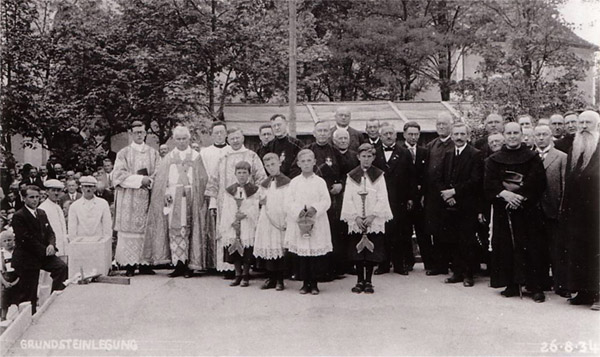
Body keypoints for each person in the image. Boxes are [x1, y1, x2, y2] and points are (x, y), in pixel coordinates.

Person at [484, 122, 547, 302]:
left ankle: (535, 286)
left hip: (527, 210)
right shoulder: (494, 159)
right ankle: (511, 283)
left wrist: (519, 197)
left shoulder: (532, 157)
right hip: (504, 209)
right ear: (504, 135)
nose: (512, 136)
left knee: (532, 247)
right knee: (506, 247)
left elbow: (538, 182)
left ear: (521, 134)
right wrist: (505, 195)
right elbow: (489, 183)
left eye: (515, 133)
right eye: (509, 133)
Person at [144, 126, 209, 277]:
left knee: (190, 229)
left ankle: (189, 265)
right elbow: (162, 179)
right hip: (173, 197)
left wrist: (198, 196)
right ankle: (178, 264)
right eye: (178, 139)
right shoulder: (169, 157)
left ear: (189, 138)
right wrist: (166, 193)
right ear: (174, 140)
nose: (181, 142)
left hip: (190, 196)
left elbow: (202, 178)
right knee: (175, 231)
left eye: (184, 138)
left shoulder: (195, 156)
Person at [205, 127, 266, 274]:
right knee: (229, 233)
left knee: (246, 234)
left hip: (247, 203)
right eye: (232, 138)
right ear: (228, 139)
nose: (235, 141)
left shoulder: (251, 156)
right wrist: (213, 203)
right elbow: (214, 180)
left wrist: (256, 199)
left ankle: (245, 269)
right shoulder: (223, 158)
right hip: (226, 203)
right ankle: (230, 268)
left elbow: (261, 178)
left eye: (237, 137)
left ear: (242, 138)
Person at [433, 123, 484, 287]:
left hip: (467, 205)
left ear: (468, 136)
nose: (459, 137)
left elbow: (475, 180)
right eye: (456, 134)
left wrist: (454, 192)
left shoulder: (475, 154)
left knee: (467, 240)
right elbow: (439, 178)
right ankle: (456, 272)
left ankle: (469, 274)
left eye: (462, 134)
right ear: (452, 136)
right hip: (450, 205)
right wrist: (447, 195)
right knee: (452, 239)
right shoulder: (448, 154)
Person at [561, 110, 600, 309]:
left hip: (597, 211)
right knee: (580, 251)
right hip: (578, 211)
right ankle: (584, 291)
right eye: (581, 122)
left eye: (588, 122)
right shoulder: (574, 148)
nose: (583, 126)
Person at [341, 143, 392, 294]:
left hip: (372, 219)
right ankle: (359, 281)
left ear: (374, 157)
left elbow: (382, 197)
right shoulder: (352, 176)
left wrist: (372, 215)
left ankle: (368, 281)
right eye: (363, 156)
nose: (366, 160)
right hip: (357, 219)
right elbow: (348, 198)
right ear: (358, 157)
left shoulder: (379, 175)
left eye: (369, 156)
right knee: (357, 251)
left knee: (371, 251)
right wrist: (355, 216)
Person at [296, 121, 343, 278]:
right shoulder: (306, 151)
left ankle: (329, 271)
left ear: (329, 134)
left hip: (330, 198)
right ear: (314, 133)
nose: (322, 134)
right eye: (319, 131)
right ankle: (307, 273)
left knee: (328, 234)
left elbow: (345, 171)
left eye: (325, 131)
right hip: (307, 198)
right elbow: (294, 171)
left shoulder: (335, 152)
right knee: (308, 235)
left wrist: (340, 184)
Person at [113, 121, 160, 277]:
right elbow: (118, 176)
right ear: (131, 134)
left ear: (146, 133)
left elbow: (159, 173)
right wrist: (140, 180)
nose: (139, 135)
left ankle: (145, 264)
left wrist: (150, 180)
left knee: (147, 231)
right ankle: (129, 265)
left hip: (148, 197)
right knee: (129, 232)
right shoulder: (124, 153)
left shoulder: (153, 153)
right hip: (130, 199)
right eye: (136, 132)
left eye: (142, 132)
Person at [12, 185, 67, 314]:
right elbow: (27, 240)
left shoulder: (41, 213)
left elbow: (50, 233)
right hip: (27, 258)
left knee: (61, 267)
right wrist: (45, 250)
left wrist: (51, 245)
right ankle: (29, 318)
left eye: (37, 197)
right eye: (31, 197)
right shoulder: (19, 216)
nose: (35, 200)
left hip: (43, 254)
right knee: (29, 293)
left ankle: (55, 300)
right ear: (23, 198)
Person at [285, 149, 332, 295]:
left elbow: (326, 200)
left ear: (314, 162)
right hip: (300, 222)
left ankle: (315, 283)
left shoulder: (320, 182)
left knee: (315, 253)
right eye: (303, 161)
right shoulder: (294, 182)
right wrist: (298, 210)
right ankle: (305, 283)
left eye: (309, 161)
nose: (306, 164)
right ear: (298, 164)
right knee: (303, 253)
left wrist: (315, 209)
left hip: (316, 221)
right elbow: (288, 201)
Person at [373, 122, 416, 275]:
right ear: (380, 136)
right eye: (385, 134)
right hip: (381, 199)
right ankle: (383, 264)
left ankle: (399, 265)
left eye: (391, 133)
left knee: (400, 232)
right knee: (382, 232)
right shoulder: (375, 153)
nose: (389, 136)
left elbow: (412, 176)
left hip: (400, 198)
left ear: (396, 135)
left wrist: (411, 197)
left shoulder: (404, 153)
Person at [533, 125, 567, 296]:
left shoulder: (561, 157)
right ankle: (541, 282)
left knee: (556, 249)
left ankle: (560, 284)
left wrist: (562, 209)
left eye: (544, 134)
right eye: (537, 135)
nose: (541, 138)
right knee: (537, 248)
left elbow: (564, 185)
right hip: (533, 211)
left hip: (553, 209)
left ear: (551, 136)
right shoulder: (530, 157)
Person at [424, 112, 455, 276]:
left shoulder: (455, 144)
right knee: (435, 230)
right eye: (439, 124)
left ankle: (452, 263)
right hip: (433, 196)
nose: (441, 127)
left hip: (449, 195)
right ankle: (439, 265)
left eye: (444, 124)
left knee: (449, 231)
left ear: (451, 125)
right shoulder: (431, 145)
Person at [219, 161, 259, 287]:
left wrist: (246, 214)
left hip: (247, 223)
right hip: (234, 224)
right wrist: (233, 221)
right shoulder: (230, 190)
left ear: (249, 174)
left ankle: (246, 275)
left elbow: (255, 206)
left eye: (244, 173)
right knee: (236, 250)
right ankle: (237, 274)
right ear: (235, 174)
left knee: (246, 250)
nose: (242, 175)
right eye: (239, 173)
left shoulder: (254, 190)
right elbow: (227, 207)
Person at [254, 153, 290, 291]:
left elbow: (288, 201)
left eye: (273, 164)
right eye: (267, 166)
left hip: (280, 219)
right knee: (268, 246)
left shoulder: (287, 182)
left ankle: (280, 279)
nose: (271, 168)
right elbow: (260, 198)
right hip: (267, 219)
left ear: (279, 163)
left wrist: (287, 219)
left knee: (279, 247)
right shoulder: (264, 183)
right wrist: (260, 200)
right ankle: (270, 278)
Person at [199, 121, 231, 271]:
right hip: (210, 194)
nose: (219, 135)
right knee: (210, 229)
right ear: (211, 135)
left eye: (222, 132)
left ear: (226, 134)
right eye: (216, 133)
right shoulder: (205, 153)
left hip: (229, 196)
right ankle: (211, 263)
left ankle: (227, 265)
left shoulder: (232, 150)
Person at [401, 121, 431, 272]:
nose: (413, 137)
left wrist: (423, 191)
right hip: (405, 197)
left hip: (421, 197)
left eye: (416, 134)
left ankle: (428, 262)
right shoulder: (399, 151)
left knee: (423, 230)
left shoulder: (425, 152)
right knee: (405, 230)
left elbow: (428, 174)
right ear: (404, 134)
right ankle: (408, 261)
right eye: (410, 134)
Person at [68, 176, 112, 242]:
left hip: (99, 241)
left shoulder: (103, 203)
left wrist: (105, 240)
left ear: (95, 188)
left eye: (90, 187)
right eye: (85, 186)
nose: (88, 189)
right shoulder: (75, 206)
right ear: (81, 188)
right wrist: (75, 242)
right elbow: (72, 227)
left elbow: (107, 225)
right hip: (81, 242)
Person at [38, 179, 68, 262]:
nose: (56, 193)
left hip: (63, 247)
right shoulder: (43, 208)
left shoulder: (57, 206)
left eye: (58, 190)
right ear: (47, 192)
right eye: (53, 190)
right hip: (51, 248)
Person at [1, 229, 19, 320]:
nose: (7, 243)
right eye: (4, 241)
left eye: (9, 240)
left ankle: (22, 315)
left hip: (18, 278)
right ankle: (3, 318)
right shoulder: (1, 254)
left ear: (13, 240)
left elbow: (22, 269)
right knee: (4, 299)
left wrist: (17, 281)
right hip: (6, 280)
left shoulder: (17, 252)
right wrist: (5, 282)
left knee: (21, 297)